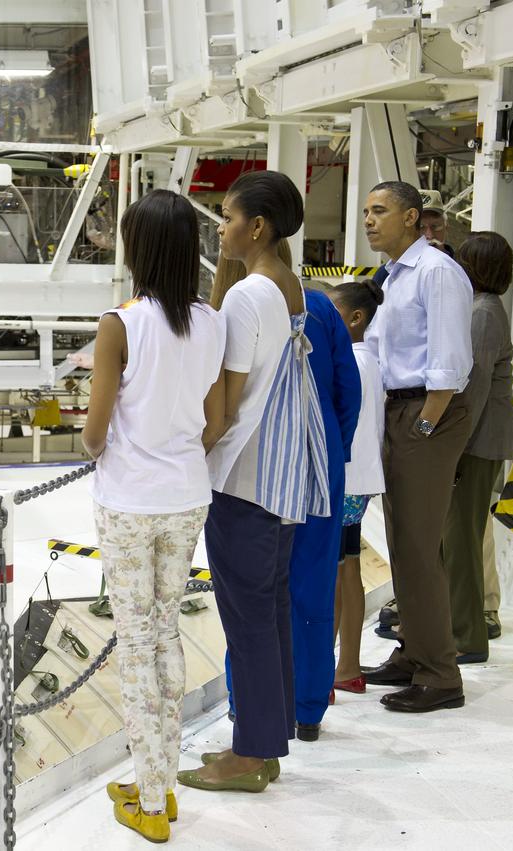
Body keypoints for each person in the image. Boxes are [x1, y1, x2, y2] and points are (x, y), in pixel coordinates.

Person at [177, 170, 330, 794]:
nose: (221, 228)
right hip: (282, 473)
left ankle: (249, 755)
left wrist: (189, 454)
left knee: (247, 620)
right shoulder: (283, 284)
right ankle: (265, 745)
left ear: (257, 226)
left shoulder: (249, 297)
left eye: (228, 217)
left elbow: (226, 401)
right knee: (267, 615)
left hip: (245, 476)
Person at [83, 189, 228, 843]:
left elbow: (93, 433)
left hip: (128, 502)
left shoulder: (121, 323)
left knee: (136, 646)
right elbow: (216, 421)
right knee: (166, 634)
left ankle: (147, 799)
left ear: (138, 249)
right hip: (186, 495)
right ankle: (160, 781)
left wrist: (115, 442)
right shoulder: (212, 321)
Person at [360, 181, 475, 713]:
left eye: (379, 211)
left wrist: (423, 428)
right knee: (404, 544)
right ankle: (414, 652)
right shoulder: (393, 276)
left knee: (419, 548)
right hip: (400, 412)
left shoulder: (435, 272)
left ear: (411, 218)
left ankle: (440, 675)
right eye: (366, 212)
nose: (369, 220)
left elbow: (449, 363)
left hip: (427, 413)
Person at [286, 284, 360, 742]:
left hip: (253, 470)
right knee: (314, 584)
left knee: (254, 594)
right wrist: (334, 447)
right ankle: (308, 709)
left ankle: (249, 704)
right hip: (319, 457)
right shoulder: (318, 306)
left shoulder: (237, 302)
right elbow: (348, 390)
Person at [443, 232, 513, 664]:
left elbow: (475, 389)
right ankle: (458, 627)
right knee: (458, 537)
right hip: (479, 439)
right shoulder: (483, 309)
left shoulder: (483, 314)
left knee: (461, 539)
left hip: (477, 442)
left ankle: (467, 636)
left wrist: (452, 445)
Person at [329, 281, 387, 695]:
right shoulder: (368, 360)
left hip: (345, 481)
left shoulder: (351, 360)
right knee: (347, 570)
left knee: (332, 575)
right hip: (359, 480)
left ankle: (328, 667)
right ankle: (345, 664)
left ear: (355, 318)